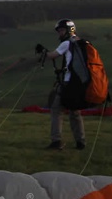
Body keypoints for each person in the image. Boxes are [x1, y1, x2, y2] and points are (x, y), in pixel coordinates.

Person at [37, 19, 86, 151]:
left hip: (68, 82)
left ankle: (56, 141)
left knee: (56, 110)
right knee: (75, 112)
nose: (60, 33)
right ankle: (80, 142)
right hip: (80, 83)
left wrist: (43, 51)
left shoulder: (67, 43)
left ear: (69, 30)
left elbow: (53, 55)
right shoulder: (81, 42)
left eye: (62, 30)